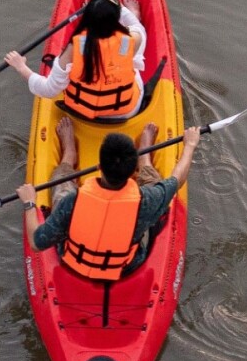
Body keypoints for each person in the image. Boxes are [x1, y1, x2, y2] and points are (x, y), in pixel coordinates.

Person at [17, 114, 200, 281]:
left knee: (62, 183)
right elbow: (177, 179)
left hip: (74, 261)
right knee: (154, 182)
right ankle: (144, 158)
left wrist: (29, 202)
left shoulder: (72, 202)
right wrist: (190, 145)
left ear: (99, 166)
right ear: (131, 173)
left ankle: (68, 157)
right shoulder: (146, 201)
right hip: (125, 267)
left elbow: (36, 242)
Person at [2, 0, 148, 123]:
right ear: (116, 19)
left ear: (87, 18)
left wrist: (21, 67)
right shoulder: (131, 39)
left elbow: (48, 90)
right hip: (125, 112)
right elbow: (138, 28)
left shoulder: (75, 47)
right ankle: (132, 13)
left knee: (69, 72)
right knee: (133, 59)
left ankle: (104, 17)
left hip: (81, 112)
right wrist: (117, 6)